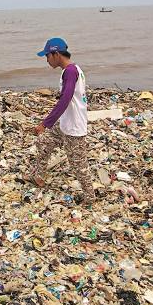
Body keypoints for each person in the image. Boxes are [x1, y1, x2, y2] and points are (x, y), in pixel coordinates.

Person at [26, 37, 97, 205]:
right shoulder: (69, 71)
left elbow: (65, 100)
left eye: (47, 56)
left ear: (56, 54)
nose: (47, 60)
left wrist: (45, 123)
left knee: (78, 165)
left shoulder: (71, 71)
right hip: (64, 123)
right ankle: (38, 176)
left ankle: (90, 197)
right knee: (44, 143)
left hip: (73, 127)